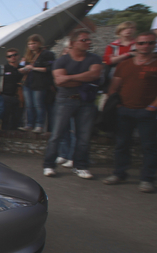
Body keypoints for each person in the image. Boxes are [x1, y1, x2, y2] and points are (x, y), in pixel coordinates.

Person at [43, 29, 102, 179]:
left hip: (86, 101)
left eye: (89, 40)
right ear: (73, 43)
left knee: (83, 136)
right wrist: (84, 78)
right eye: (84, 40)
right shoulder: (61, 61)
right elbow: (59, 81)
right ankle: (49, 165)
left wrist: (70, 77)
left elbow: (95, 75)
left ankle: (80, 166)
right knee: (57, 134)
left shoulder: (94, 58)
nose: (88, 42)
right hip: (66, 100)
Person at [103, 31, 157, 193]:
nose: (145, 46)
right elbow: (114, 86)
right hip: (125, 110)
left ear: (154, 44)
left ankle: (147, 179)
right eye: (141, 43)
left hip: (148, 112)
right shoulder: (125, 64)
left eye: (149, 43)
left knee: (149, 146)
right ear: (136, 45)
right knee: (121, 144)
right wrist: (118, 105)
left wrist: (152, 107)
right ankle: (119, 173)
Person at [19, 34, 55, 134]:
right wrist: (24, 69)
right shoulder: (28, 55)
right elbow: (26, 67)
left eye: (34, 43)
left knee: (38, 104)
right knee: (29, 105)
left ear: (39, 43)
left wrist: (33, 68)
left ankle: (39, 125)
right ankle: (29, 124)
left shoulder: (47, 54)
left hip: (40, 83)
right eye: (30, 44)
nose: (32, 46)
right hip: (28, 83)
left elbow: (49, 69)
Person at [0, 48, 24, 130]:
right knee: (5, 118)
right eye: (10, 56)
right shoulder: (2, 68)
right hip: (5, 96)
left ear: (18, 56)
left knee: (17, 118)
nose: (13, 57)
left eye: (15, 55)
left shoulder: (22, 69)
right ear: (7, 58)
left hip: (19, 97)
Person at [102, 21, 136, 91]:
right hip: (115, 75)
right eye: (125, 28)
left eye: (131, 28)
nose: (129, 30)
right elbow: (108, 61)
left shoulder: (139, 44)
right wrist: (128, 54)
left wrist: (117, 58)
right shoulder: (112, 46)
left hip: (133, 74)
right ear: (119, 31)